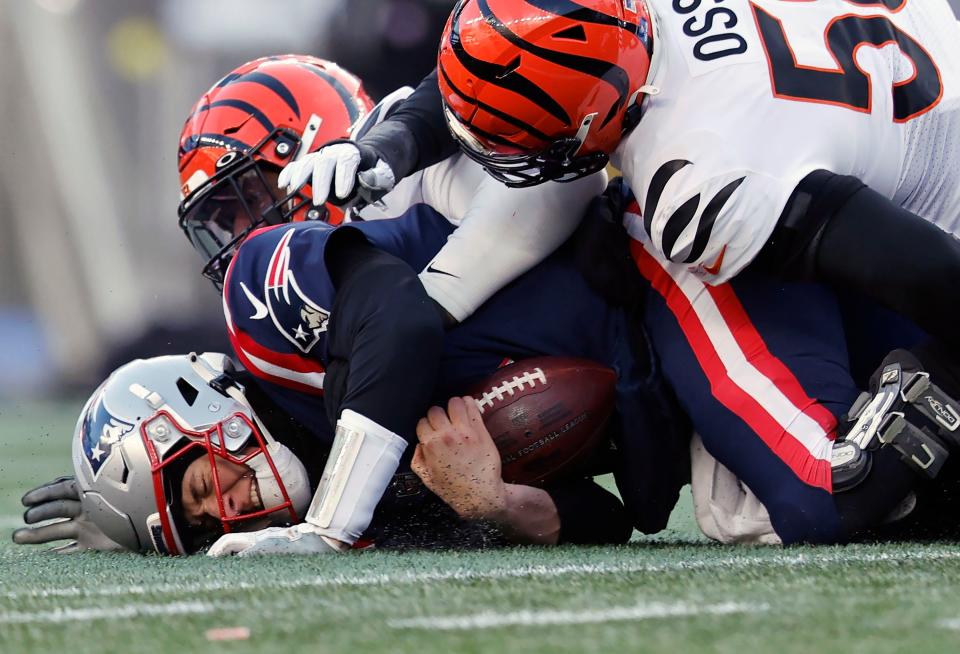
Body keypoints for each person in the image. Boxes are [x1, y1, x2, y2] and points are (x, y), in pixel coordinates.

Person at [291, 0, 960, 346]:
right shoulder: (619, 29)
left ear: (591, 116)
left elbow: (922, 268)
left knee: (754, 506)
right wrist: (389, 146)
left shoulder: (696, 182)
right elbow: (516, 54)